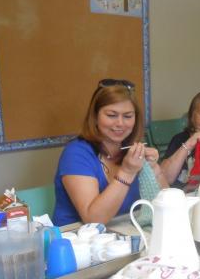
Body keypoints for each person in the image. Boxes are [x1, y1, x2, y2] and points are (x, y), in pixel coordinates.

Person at [53, 79, 167, 226]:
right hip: (75, 241)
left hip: (121, 236)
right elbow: (93, 219)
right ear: (95, 117)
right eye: (111, 115)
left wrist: (154, 169)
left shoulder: (132, 152)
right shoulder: (75, 154)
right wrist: (127, 172)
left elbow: (168, 202)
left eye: (127, 116)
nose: (120, 123)